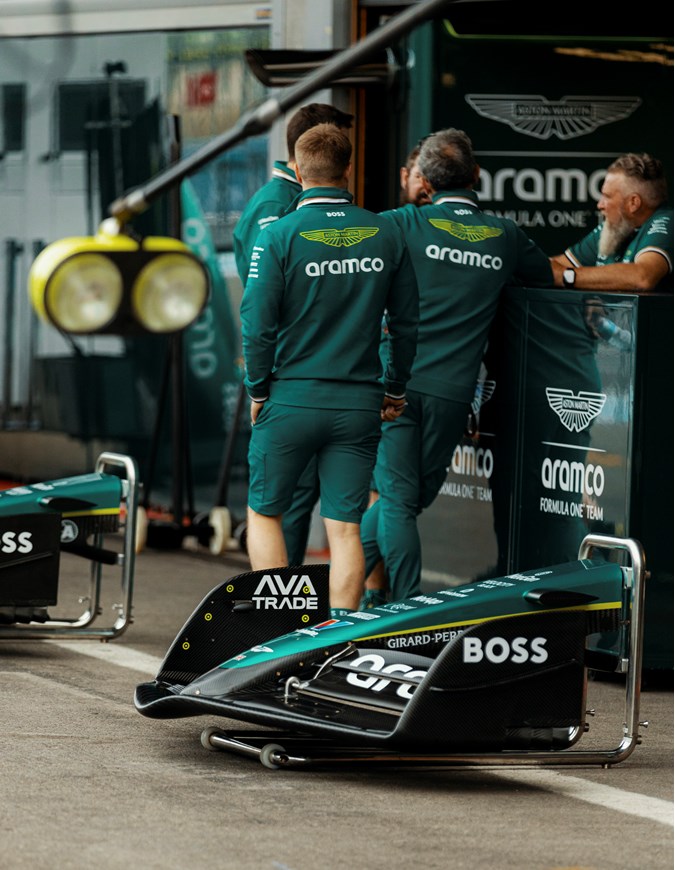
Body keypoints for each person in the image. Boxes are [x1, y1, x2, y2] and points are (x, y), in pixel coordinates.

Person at [359, 127, 553, 604]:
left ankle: (389, 608)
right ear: (477, 175)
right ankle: (388, 603)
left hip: (394, 385)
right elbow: (548, 278)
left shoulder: (399, 223)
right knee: (403, 501)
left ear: (424, 182)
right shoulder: (505, 236)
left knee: (403, 501)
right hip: (452, 392)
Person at [240, 124, 419, 616]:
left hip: (289, 400)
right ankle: (338, 636)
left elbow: (256, 323)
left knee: (265, 513)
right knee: (344, 528)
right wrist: (395, 388)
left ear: (298, 172)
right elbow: (406, 324)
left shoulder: (277, 235)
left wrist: (258, 389)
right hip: (358, 404)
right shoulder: (387, 232)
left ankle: (278, 631)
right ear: (348, 170)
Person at [232, 102, 353, 565]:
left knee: (299, 498)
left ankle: (291, 596)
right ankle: (287, 599)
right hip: (290, 375)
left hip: (304, 374)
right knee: (289, 500)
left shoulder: (290, 202)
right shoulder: (278, 205)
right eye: (337, 144)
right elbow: (263, 305)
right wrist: (261, 384)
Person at [550, 152, 673, 293]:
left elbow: (643, 277)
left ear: (633, 203)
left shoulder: (669, 221)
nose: (600, 205)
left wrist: (567, 276)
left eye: (607, 196)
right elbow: (557, 267)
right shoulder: (615, 228)